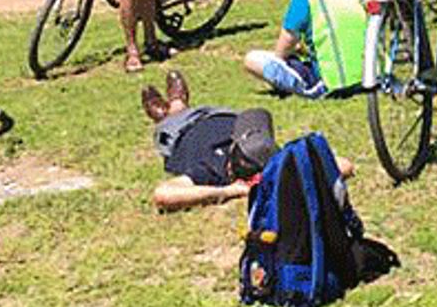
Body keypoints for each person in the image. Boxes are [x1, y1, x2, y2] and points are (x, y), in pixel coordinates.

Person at [143, 69, 354, 211]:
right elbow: (343, 165)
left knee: (172, 118)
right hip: (222, 114)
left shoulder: (209, 171)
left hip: (179, 131)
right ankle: (178, 103)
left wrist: (228, 192)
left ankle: (170, 109)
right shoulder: (272, 157)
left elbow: (163, 195)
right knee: (190, 111)